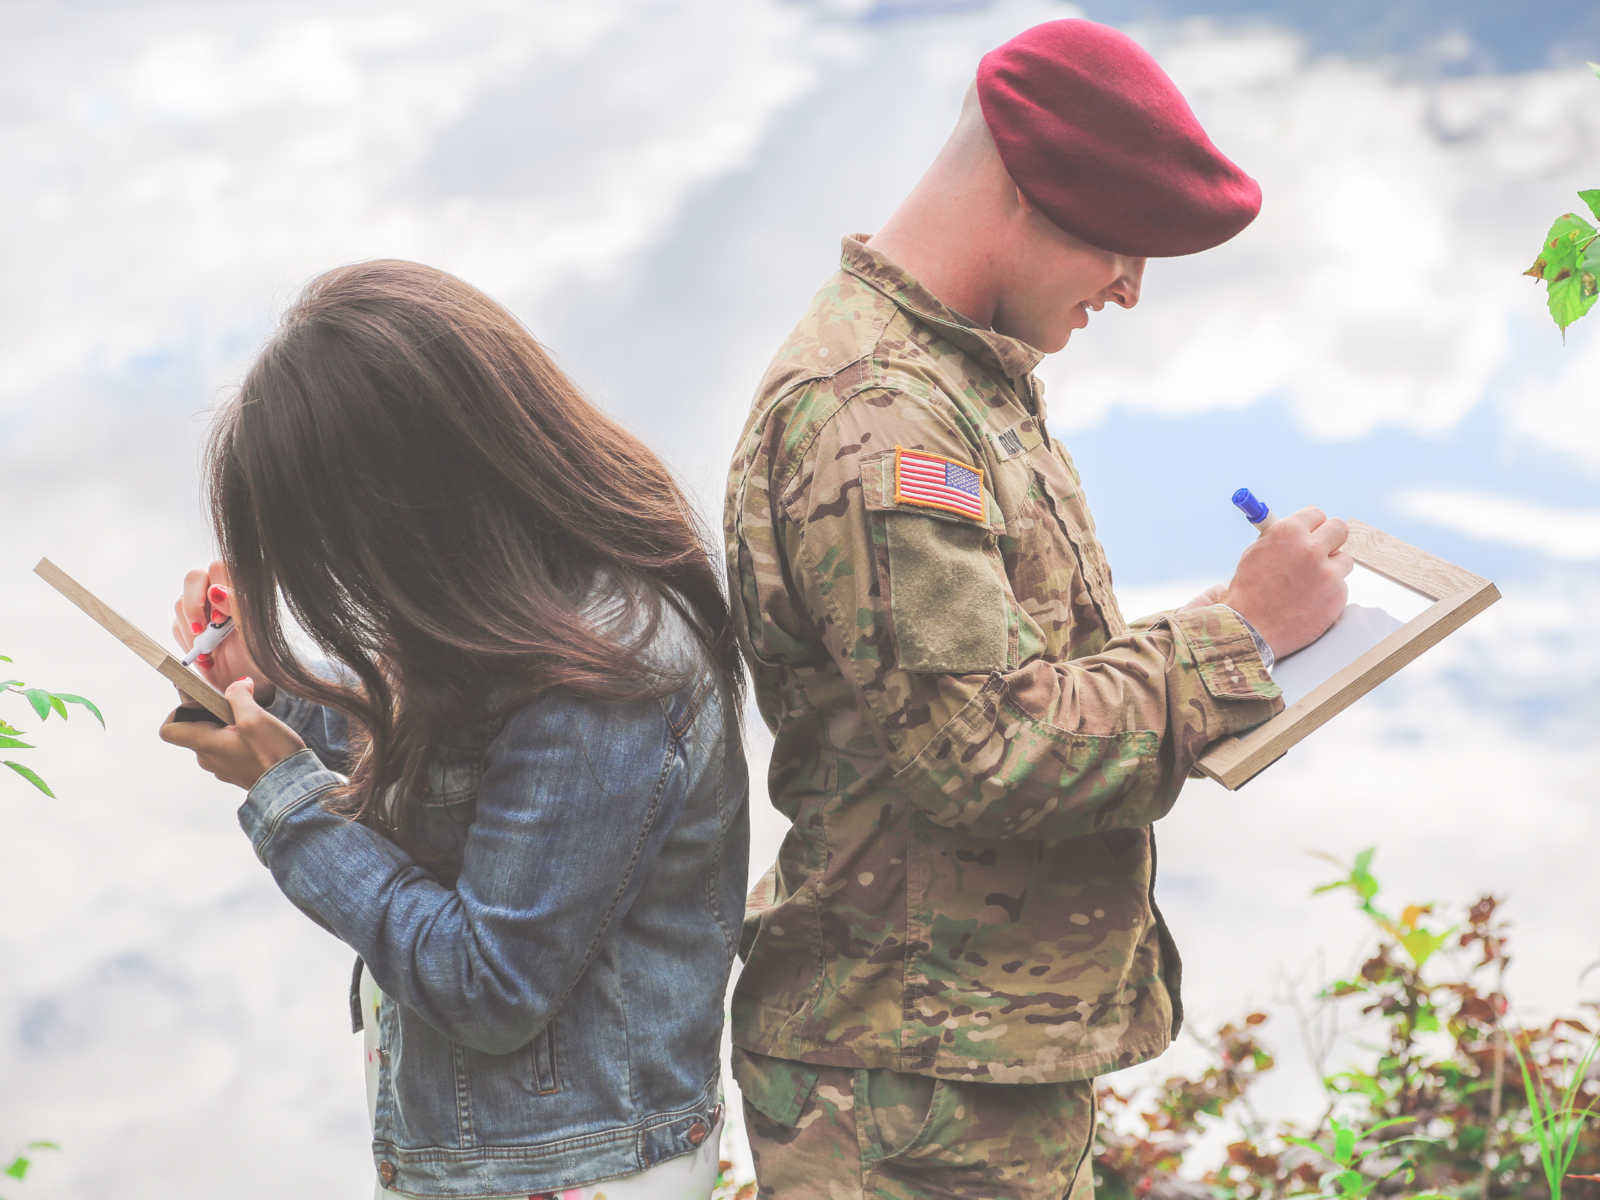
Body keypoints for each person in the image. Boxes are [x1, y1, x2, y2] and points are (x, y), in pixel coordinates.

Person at [723, 18, 1350, 1199]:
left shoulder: (958, 374)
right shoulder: (877, 414)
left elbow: (1012, 672)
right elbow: (987, 751)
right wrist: (1242, 636)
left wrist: (1227, 617)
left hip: (958, 1062)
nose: (1129, 287)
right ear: (1023, 189)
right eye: (1122, 243)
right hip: (903, 1087)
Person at [158, 260, 749, 1200]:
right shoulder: (513, 604)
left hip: (585, 1173)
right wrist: (275, 694)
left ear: (420, 501)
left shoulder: (610, 674)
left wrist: (288, 801)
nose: (349, 581)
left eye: (341, 547)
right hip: (515, 1161)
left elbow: (488, 983)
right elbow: (460, 781)